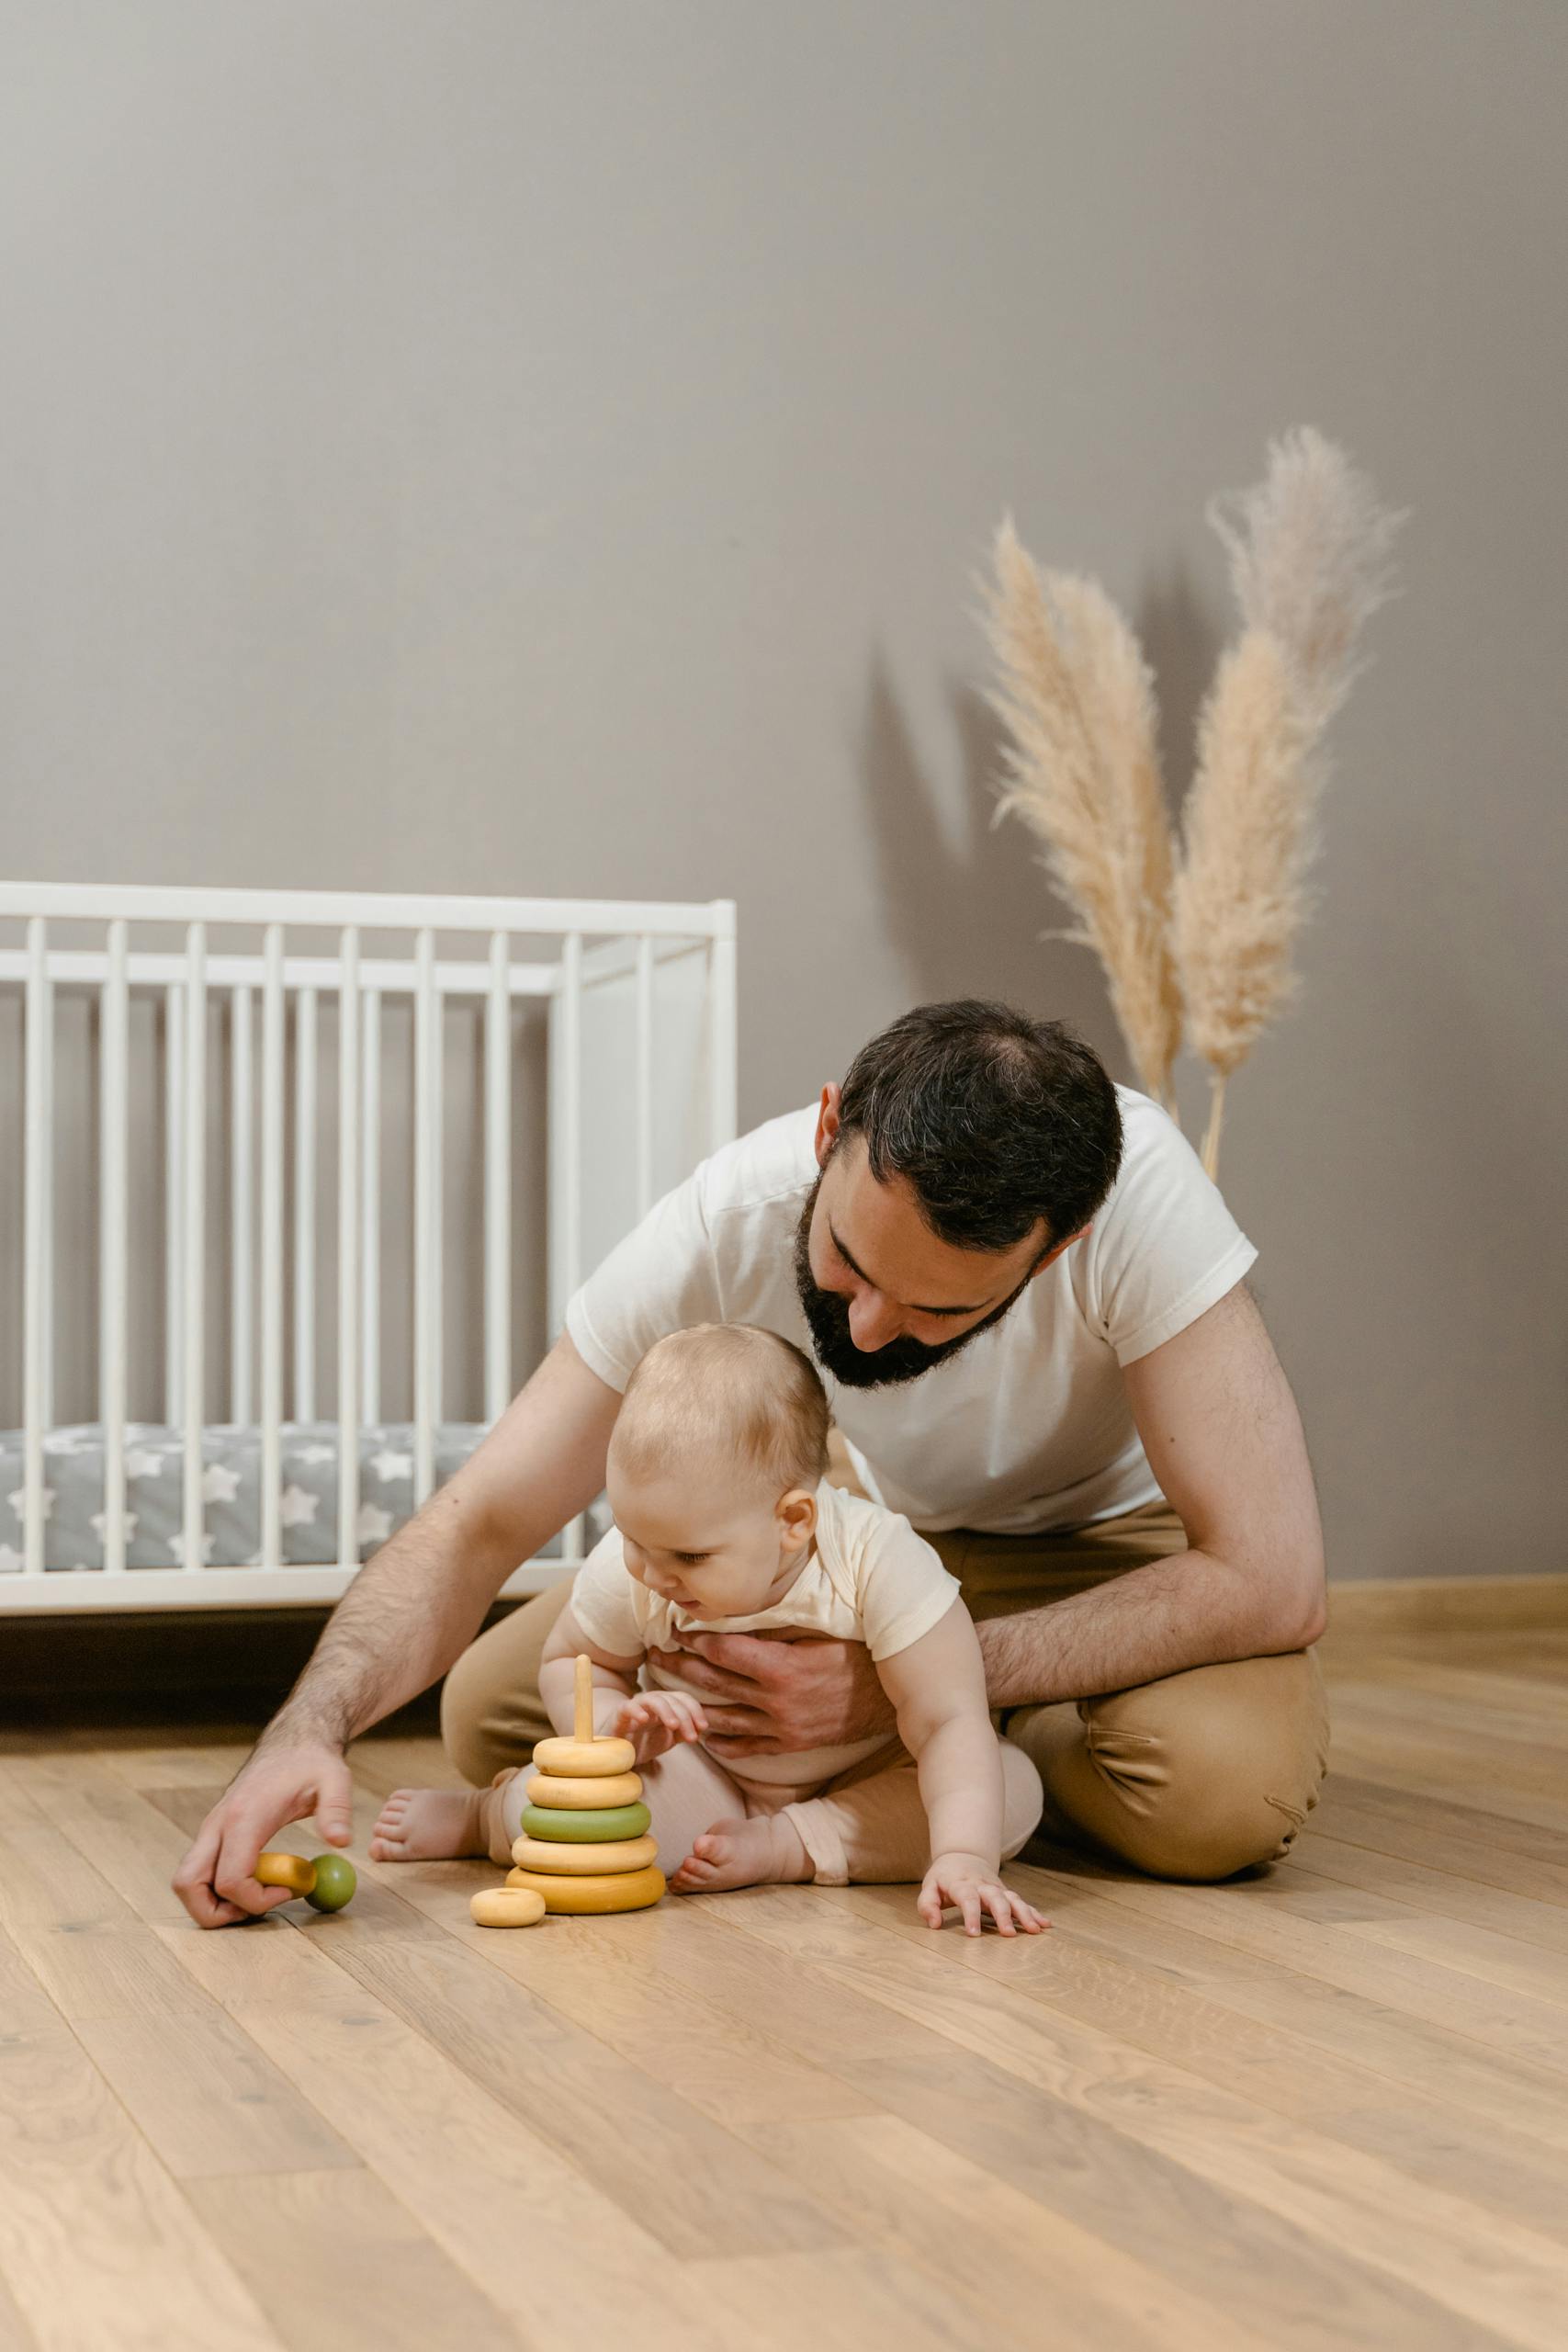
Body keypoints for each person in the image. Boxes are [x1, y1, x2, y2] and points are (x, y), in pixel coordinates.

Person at [173, 997, 1329, 1929]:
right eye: (846, 1262)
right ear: (831, 1132)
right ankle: (909, 1766)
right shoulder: (722, 1215)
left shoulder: (1143, 1207)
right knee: (494, 1709)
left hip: (1087, 1560)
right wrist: (307, 1728)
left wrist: (913, 1679)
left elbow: (1270, 1574)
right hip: (823, 1548)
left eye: (940, 1309)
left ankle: (955, 1759)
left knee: (1221, 1795)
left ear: (1061, 1241)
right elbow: (481, 1521)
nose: (869, 1329)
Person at [369, 1322, 1048, 1935]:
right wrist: (615, 1729)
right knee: (570, 1825)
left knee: (1007, 1791)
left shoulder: (880, 1561)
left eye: (689, 1557)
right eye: (633, 1537)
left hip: (862, 1776)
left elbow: (945, 1719)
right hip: (707, 1771)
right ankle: (481, 1818)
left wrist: (963, 1859)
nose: (654, 1573)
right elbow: (572, 1659)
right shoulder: (636, 1564)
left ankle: (788, 1845)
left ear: (793, 1521)